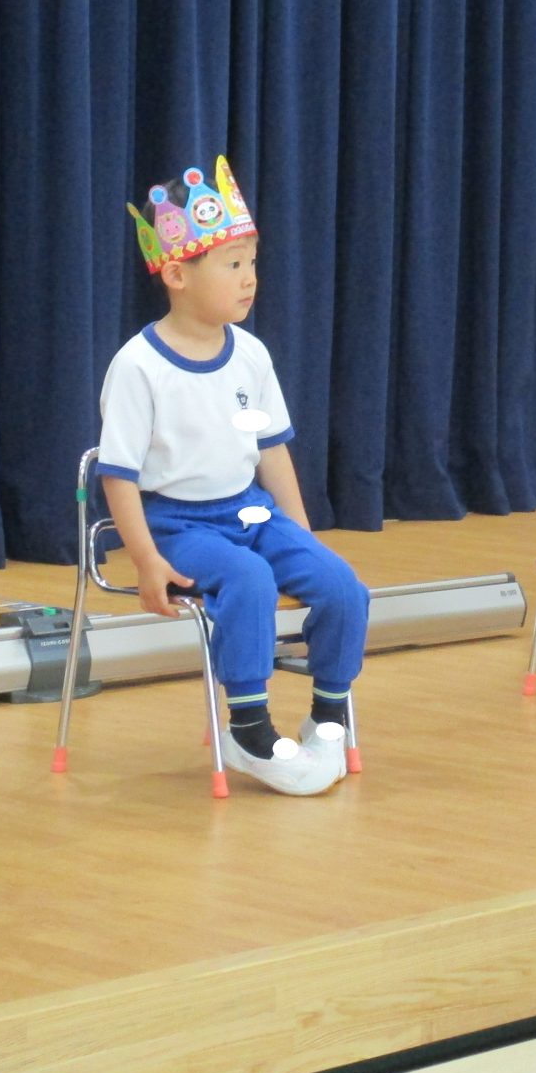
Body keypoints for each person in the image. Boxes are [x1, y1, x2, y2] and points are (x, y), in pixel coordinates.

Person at [97, 157, 369, 794]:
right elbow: (119, 477)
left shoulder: (251, 353)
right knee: (248, 580)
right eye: (232, 264)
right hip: (176, 524)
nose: (250, 279)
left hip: (250, 511)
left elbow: (272, 451)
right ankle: (248, 728)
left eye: (252, 262)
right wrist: (146, 561)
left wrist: (303, 536)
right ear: (176, 274)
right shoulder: (138, 366)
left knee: (343, 586)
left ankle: (328, 713)